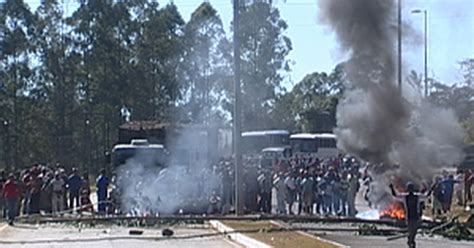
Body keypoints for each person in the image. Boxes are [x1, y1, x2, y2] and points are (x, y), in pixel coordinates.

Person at [390, 182, 433, 248]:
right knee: (411, 230)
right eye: (409, 188)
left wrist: (431, 188)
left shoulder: (417, 196)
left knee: (414, 230)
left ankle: (411, 240)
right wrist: (391, 188)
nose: (410, 190)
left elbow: (426, 196)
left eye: (411, 188)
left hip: (416, 216)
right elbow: (395, 196)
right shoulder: (405, 196)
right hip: (409, 217)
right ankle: (411, 241)